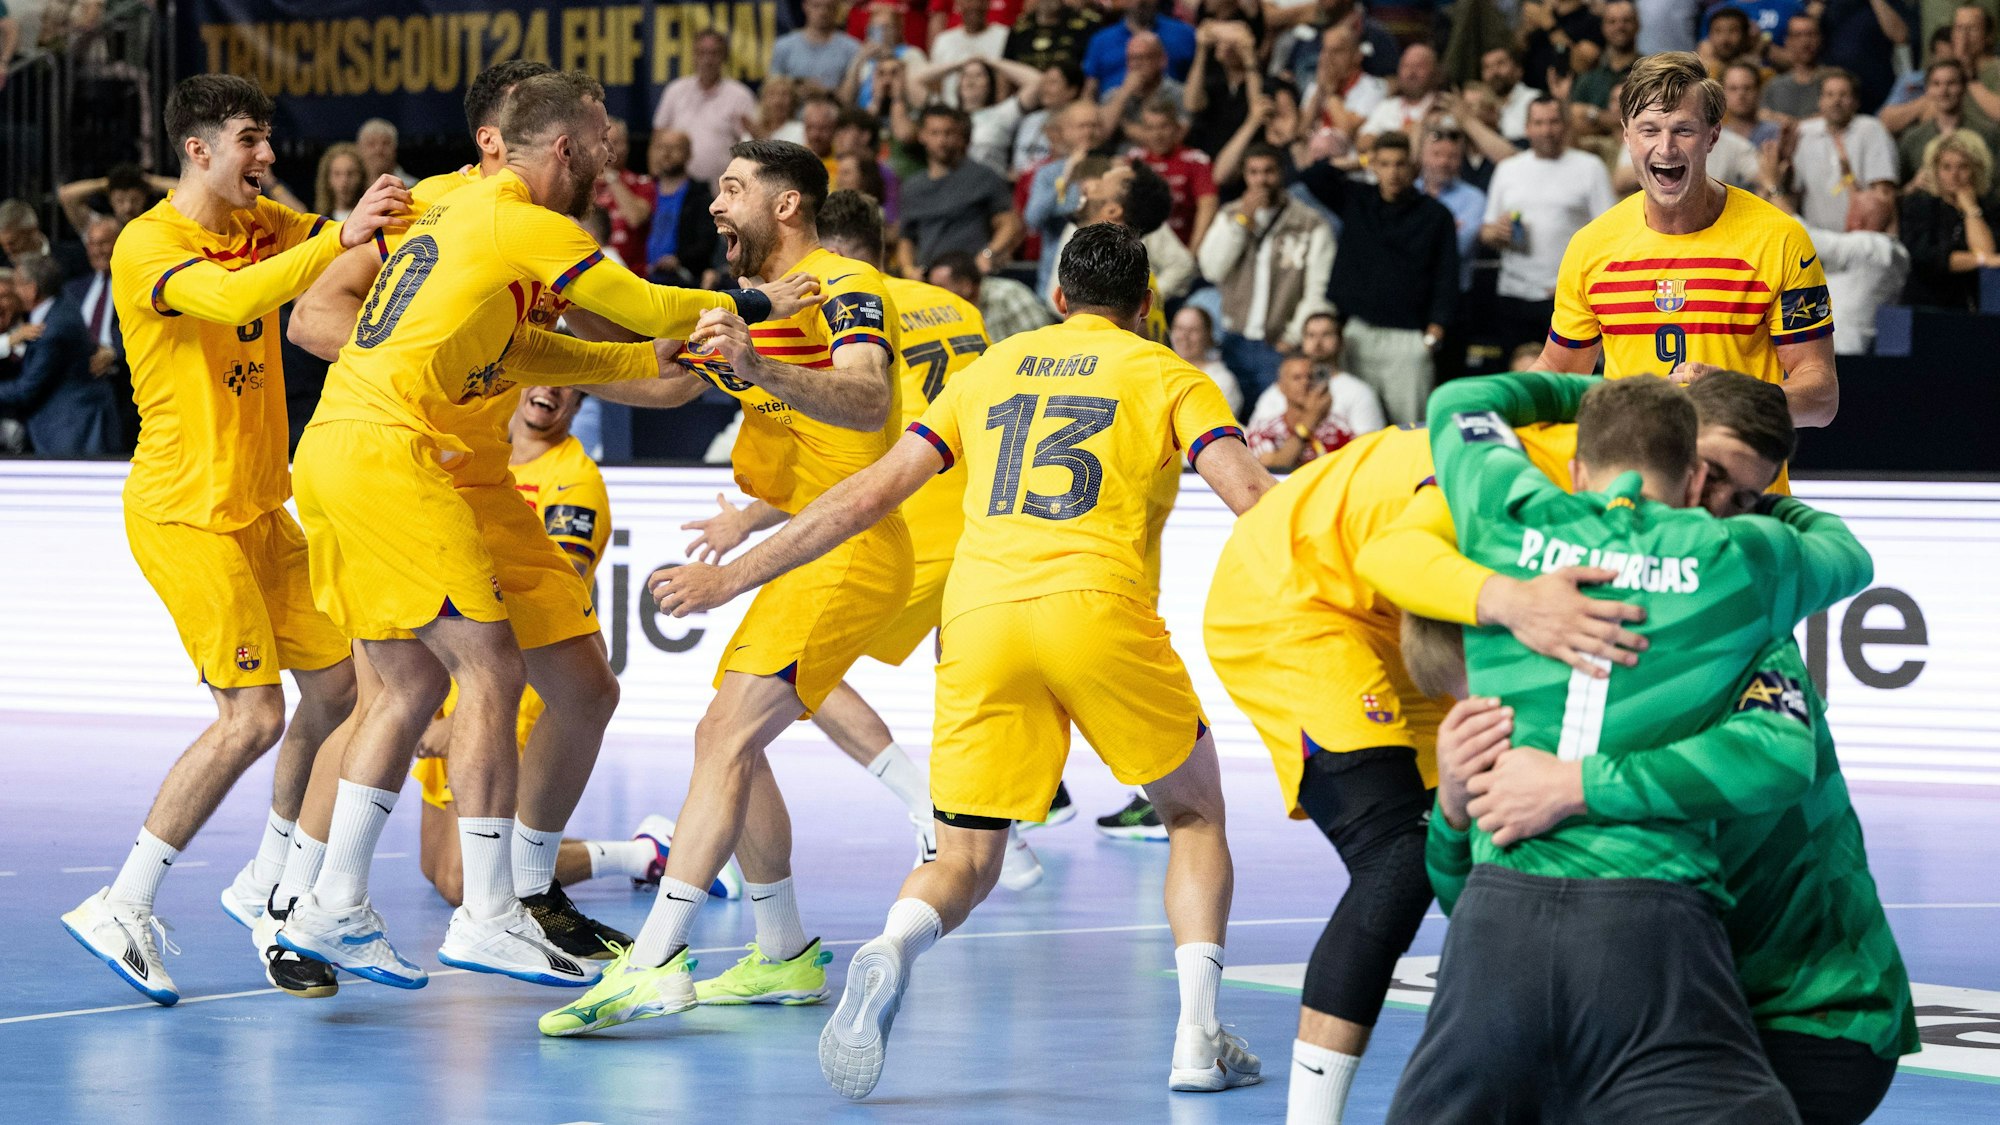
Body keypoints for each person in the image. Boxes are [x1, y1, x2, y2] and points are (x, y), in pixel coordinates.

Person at [646, 222, 1278, 1099]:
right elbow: (1252, 497)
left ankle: (892, 945)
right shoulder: (1171, 373)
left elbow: (866, 493)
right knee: (1195, 816)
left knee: (966, 856)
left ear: (1057, 299)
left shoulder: (995, 368)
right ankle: (1196, 1039)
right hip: (1096, 606)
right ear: (1143, 307)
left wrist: (734, 577)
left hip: (978, 619)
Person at [278, 73, 812, 993]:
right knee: (484, 671)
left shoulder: (478, 248)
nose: (615, 150)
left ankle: (331, 906)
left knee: (413, 682)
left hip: (343, 452)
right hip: (401, 453)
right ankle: (481, 914)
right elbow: (644, 306)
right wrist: (763, 304)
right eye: (604, 135)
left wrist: (698, 364)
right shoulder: (513, 216)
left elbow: (581, 355)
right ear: (561, 146)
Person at [1387, 373, 1918, 1125]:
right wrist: (1452, 801)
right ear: (1687, 467)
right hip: (1648, 939)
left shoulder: (1511, 526)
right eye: (1717, 478)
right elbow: (1846, 555)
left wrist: (1574, 782)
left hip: (1799, 1003)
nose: (1718, 500)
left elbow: (1457, 405)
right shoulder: (1738, 566)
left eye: (1740, 493)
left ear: (1578, 465)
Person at [534, 138, 914, 1034]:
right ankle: (781, 950)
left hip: (852, 542)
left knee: (727, 734)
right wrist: (544, 346)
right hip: (812, 541)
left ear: (786, 205)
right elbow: (664, 382)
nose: (715, 205)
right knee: (729, 741)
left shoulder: (846, 287)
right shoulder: (748, 304)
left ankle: (656, 960)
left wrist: (757, 368)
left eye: (734, 189)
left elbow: (868, 400)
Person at [58, 74, 405, 1006]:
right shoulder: (148, 245)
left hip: (260, 510)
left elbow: (335, 248)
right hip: (184, 514)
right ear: (198, 149)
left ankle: (270, 884)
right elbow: (242, 294)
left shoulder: (263, 219)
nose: (267, 155)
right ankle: (121, 903)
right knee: (252, 717)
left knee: (341, 689)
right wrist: (338, 231)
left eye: (267, 137)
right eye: (250, 139)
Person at [677, 190, 1048, 888]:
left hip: (910, 515)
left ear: (833, 254)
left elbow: (856, 454)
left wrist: (747, 520)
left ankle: (927, 811)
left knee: (796, 671)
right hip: (989, 518)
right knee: (965, 683)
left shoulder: (851, 318)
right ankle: (993, 826)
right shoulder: (959, 307)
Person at [1535, 52, 1839, 454]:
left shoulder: (1780, 239)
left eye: (1683, 130)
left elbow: (1821, 398)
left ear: (1713, 135)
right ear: (1626, 135)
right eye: (1649, 130)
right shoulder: (1591, 246)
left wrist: (1735, 400)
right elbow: (1557, 373)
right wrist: (1492, 413)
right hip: (1631, 498)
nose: (1666, 148)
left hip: (1739, 501)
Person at [1299, 132, 1460, 426]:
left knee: (1411, 428)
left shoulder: (1436, 215)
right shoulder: (1357, 198)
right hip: (1355, 333)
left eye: (1400, 164)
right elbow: (1312, 175)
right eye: (1384, 164)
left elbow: (1447, 278)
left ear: (1413, 168)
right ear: (1373, 166)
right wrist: (1359, 161)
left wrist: (1433, 335)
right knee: (1353, 424)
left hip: (1409, 338)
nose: (1393, 172)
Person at [1197, 142, 1335, 404]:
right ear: (1245, 176)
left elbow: (1319, 288)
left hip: (1280, 345)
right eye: (1254, 172)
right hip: (1233, 340)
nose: (1261, 180)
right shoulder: (1230, 215)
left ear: (1282, 172)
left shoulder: (1310, 223)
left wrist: (1293, 336)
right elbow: (1212, 269)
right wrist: (1242, 221)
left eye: (1268, 171)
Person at [1480, 97, 1618, 358]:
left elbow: (1610, 238)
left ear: (1566, 125)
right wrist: (1496, 233)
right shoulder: (1508, 170)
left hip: (1568, 297)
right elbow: (1486, 231)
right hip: (1513, 292)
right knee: (1518, 382)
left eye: (1553, 122)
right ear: (1527, 128)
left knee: (1569, 378)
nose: (1546, 130)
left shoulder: (1590, 168)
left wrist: (1578, 283)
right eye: (1539, 123)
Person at [0, 253, 119, 454]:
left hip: (71, 428)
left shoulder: (53, 330)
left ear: (31, 290)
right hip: (69, 422)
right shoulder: (59, 305)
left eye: (16, 285)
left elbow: (26, 390)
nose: (13, 292)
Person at [896, 105, 1024, 276]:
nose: (942, 140)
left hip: (971, 277)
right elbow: (906, 239)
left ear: (959, 137)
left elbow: (1010, 223)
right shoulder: (912, 187)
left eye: (948, 133)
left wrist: (988, 254)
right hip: (930, 280)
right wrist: (908, 270)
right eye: (935, 133)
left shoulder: (984, 177)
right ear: (922, 136)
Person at [1786, 70, 1899, 233]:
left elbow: (1884, 193)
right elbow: (1794, 191)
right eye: (1829, 95)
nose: (1836, 101)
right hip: (1816, 240)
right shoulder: (1804, 133)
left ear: (1856, 101)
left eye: (1843, 95)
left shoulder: (1871, 129)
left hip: (1863, 239)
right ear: (1820, 101)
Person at [1900, 128, 2000, 307]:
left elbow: (1987, 250)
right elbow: (1928, 257)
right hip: (1924, 304)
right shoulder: (1919, 205)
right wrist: (1980, 260)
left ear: (1976, 169)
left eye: (1963, 167)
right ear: (1936, 170)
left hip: (1971, 306)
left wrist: (1970, 208)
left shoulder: (1990, 208)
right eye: (1946, 167)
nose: (1954, 175)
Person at [59, 214, 131, 447]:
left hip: (121, 385)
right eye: (92, 244)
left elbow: (145, 326)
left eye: (104, 243)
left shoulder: (136, 285)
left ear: (120, 244)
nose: (97, 250)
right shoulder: (73, 289)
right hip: (77, 388)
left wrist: (114, 352)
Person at [652, 30, 759, 185]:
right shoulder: (675, 91)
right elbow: (657, 139)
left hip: (723, 187)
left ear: (724, 57)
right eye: (702, 53)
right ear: (693, 56)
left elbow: (753, 144)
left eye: (714, 53)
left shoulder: (740, 96)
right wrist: (655, 180)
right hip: (676, 187)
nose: (707, 60)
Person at [1244, 353, 1385, 470]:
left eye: (1310, 377)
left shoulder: (1336, 427)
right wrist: (1309, 421)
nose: (1305, 382)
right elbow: (1274, 468)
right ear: (1281, 387)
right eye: (1297, 378)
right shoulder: (1264, 429)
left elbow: (1360, 463)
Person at [1129, 96, 1219, 251]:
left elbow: (1208, 205)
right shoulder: (1133, 161)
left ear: (1177, 128)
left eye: (1164, 127)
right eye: (1150, 128)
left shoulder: (1196, 160)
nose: (1157, 135)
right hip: (1142, 250)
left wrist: (1192, 252)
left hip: (1185, 247)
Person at [1896, 59, 2000, 181]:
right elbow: (1898, 192)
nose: (1943, 91)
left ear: (1964, 87)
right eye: (1936, 84)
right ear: (1928, 90)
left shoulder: (1989, 134)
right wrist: (1913, 186)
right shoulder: (1913, 139)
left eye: (1951, 83)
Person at [643, 129, 718, 287]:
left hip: (683, 279)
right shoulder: (643, 189)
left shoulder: (700, 196)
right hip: (640, 275)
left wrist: (678, 259)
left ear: (689, 154)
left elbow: (707, 242)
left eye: (675, 148)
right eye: (662, 147)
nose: (667, 153)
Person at [927, 248, 1055, 341]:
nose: (935, 294)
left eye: (941, 287)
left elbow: (1043, 341)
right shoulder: (943, 312)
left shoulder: (1008, 295)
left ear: (966, 284)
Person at [1082, 0, 1196, 93]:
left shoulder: (1184, 34)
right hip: (1114, 109)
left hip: (1169, 109)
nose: (1141, 1)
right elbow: (1089, 93)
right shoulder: (1101, 40)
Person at [593, 118, 655, 273]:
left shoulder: (642, 184)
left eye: (616, 142)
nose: (609, 148)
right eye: (605, 141)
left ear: (627, 146)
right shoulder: (581, 184)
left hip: (632, 275)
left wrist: (611, 176)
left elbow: (635, 218)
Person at [1358, 43, 1443, 146]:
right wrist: (1405, 133)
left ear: (1436, 71)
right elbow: (1362, 144)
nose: (1411, 73)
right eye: (1406, 66)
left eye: (1419, 66)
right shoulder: (1387, 106)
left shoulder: (1443, 106)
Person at [772, 0, 865, 92]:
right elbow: (772, 89)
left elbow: (855, 95)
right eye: (816, 6)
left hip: (835, 105)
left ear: (836, 9)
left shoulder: (852, 49)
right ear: (805, 6)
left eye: (828, 7)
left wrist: (823, 93)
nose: (823, 12)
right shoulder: (783, 47)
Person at [57, 161, 171, 235]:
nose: (128, 207)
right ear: (111, 200)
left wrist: (147, 181)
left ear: (145, 197)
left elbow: (186, 191)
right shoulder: (100, 228)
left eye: (135, 200)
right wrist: (107, 183)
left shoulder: (158, 225)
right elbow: (66, 195)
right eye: (120, 200)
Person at [1168, 304, 1243, 413]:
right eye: (1179, 328)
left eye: (1193, 330)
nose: (1184, 336)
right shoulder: (1159, 369)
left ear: (1207, 335)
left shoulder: (1222, 381)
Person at [1762, 14, 1830, 119]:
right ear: (1787, 41)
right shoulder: (1773, 86)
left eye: (1810, 34)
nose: (1805, 41)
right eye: (1798, 35)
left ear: (1820, 38)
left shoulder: (1834, 80)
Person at [1006, 0, 1104, 72]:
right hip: (1024, 93)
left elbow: (1092, 69)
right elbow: (1006, 69)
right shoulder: (1020, 28)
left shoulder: (1086, 25)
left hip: (1069, 93)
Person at [1481, 48, 1542, 142]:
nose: (1494, 71)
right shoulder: (1482, 107)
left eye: (1500, 63)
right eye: (1487, 67)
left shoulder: (1534, 99)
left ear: (1518, 70)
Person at [311, 144, 366, 221]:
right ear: (327, 179)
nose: (344, 181)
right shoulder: (318, 224)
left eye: (350, 173)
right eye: (337, 174)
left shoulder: (372, 220)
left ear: (362, 176)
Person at [355, 118, 415, 187]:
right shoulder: (350, 190)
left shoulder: (412, 187)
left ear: (395, 148)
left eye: (385, 143)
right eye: (371, 144)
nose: (378, 150)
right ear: (359, 149)